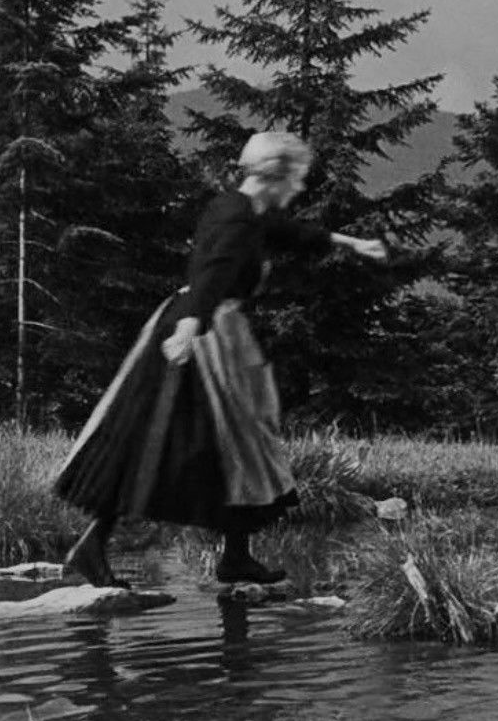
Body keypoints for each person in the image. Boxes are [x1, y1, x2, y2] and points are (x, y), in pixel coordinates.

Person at [52, 129, 389, 588]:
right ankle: (96, 548)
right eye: (296, 178)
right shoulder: (238, 220)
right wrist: (191, 326)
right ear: (274, 176)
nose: (300, 187)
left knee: (231, 442)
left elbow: (290, 233)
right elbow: (213, 271)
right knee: (177, 442)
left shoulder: (241, 208)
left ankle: (234, 556)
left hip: (206, 324)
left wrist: (350, 243)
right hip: (206, 331)